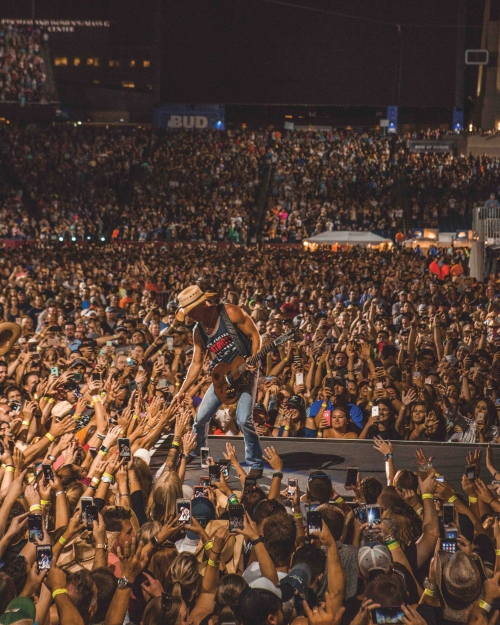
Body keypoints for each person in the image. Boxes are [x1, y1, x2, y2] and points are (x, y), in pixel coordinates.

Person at [174, 285, 264, 476]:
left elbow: (254, 335)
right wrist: (182, 391)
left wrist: (254, 359)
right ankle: (198, 450)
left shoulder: (230, 312)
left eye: (192, 311)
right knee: (199, 418)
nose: (190, 317)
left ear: (203, 304)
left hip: (245, 369)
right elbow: (196, 364)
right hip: (224, 376)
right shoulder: (199, 331)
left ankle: (255, 463)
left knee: (243, 419)